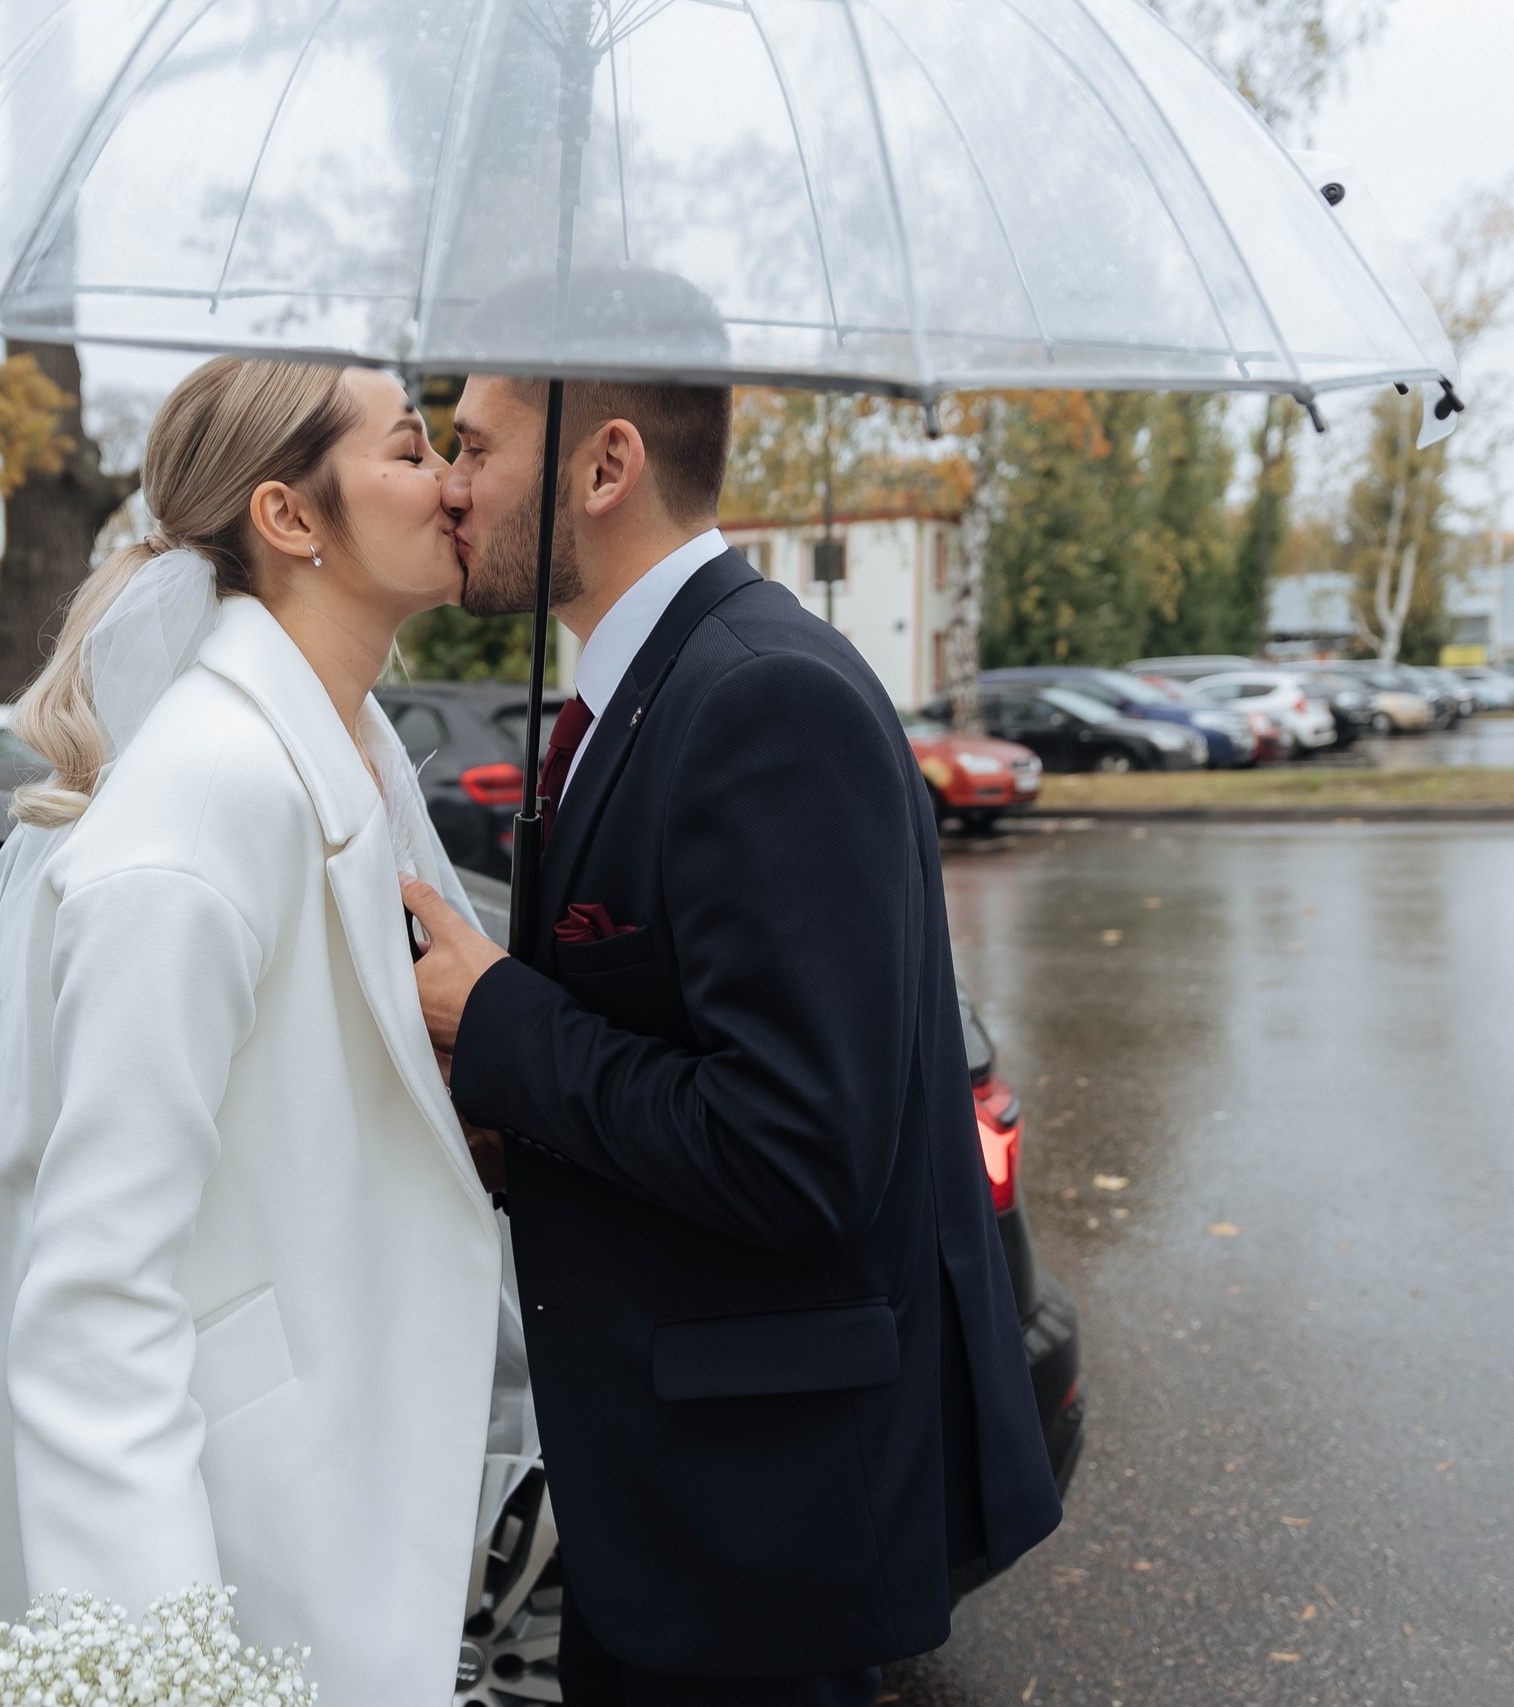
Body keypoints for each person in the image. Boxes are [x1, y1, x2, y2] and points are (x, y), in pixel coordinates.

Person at [403, 365, 1065, 1704]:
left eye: (474, 448)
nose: (450, 487)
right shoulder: (641, 690)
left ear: (606, 466)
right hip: (664, 1510)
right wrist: (510, 1133)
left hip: (758, 1531)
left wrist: (503, 1023)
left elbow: (797, 1152)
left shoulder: (764, 699)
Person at [0, 357, 531, 1706]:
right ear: (290, 517)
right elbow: (94, 1299)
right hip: (215, 1569)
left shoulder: (342, 752)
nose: (454, 485)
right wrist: (164, 1674)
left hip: (323, 1505)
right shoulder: (204, 801)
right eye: (413, 451)